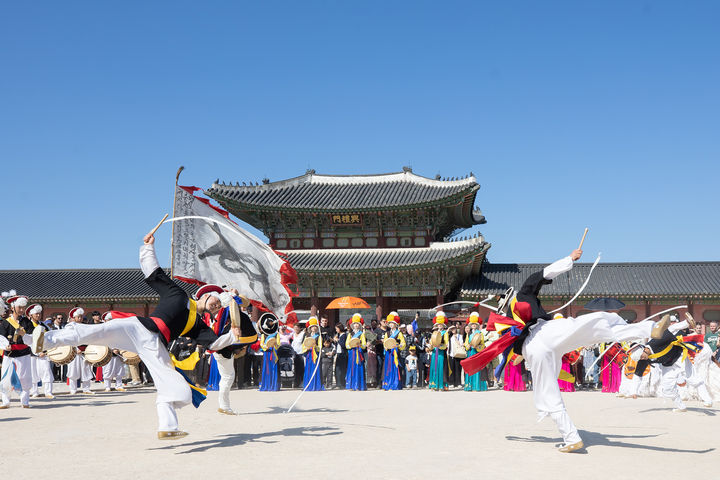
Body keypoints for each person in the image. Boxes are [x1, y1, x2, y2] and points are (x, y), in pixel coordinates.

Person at [32, 229, 255, 439]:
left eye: (220, 305)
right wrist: (148, 247)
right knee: (96, 332)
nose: (217, 305)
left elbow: (215, 344)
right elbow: (154, 274)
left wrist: (234, 336)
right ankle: (45, 340)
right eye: (216, 299)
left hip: (154, 346)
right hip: (139, 326)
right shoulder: (178, 294)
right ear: (205, 295)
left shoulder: (198, 325)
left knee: (179, 390)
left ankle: (168, 427)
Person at [0, 294, 34, 408]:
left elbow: (32, 338)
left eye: (23, 308)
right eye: (19, 307)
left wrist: (24, 334)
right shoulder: (5, 322)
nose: (22, 310)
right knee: (6, 377)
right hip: (9, 354)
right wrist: (5, 346)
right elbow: (1, 337)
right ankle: (5, 401)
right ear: (13, 307)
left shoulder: (27, 322)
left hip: (23, 353)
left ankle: (25, 401)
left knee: (24, 377)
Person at [26, 304, 54, 398]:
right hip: (32, 353)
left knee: (46, 371)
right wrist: (36, 352)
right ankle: (34, 392)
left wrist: (45, 351)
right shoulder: (27, 325)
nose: (38, 315)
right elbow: (28, 341)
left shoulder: (44, 325)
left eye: (39, 314)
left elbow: (49, 337)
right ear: (31, 315)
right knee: (33, 373)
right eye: (36, 314)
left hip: (43, 352)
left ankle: (48, 391)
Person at [64, 308, 95, 395]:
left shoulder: (84, 326)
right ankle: (73, 389)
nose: (80, 318)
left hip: (84, 351)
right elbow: (67, 340)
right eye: (78, 317)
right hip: (73, 352)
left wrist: (87, 348)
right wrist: (75, 349)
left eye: (81, 317)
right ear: (73, 318)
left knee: (86, 370)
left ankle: (86, 388)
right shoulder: (69, 327)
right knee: (73, 371)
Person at [381, 312, 406, 390]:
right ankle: (387, 384)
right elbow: (385, 343)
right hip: (388, 353)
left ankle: (395, 384)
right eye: (390, 323)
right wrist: (386, 347)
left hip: (395, 353)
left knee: (395, 368)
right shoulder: (387, 333)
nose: (391, 324)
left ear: (396, 324)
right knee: (387, 368)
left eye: (393, 323)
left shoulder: (399, 333)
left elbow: (403, 343)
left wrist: (398, 346)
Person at [463, 312, 487, 391]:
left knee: (477, 369)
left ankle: (477, 386)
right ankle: (469, 386)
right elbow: (466, 343)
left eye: (475, 324)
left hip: (477, 353)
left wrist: (477, 346)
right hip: (470, 353)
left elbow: (483, 344)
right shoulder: (468, 333)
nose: (473, 325)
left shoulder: (480, 333)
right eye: (472, 324)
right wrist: (468, 346)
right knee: (470, 368)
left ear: (477, 325)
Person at [428, 311, 450, 391]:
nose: (439, 326)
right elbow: (431, 342)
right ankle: (434, 385)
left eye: (440, 325)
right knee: (434, 368)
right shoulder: (434, 333)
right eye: (438, 325)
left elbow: (446, 343)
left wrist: (440, 346)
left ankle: (441, 385)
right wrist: (429, 346)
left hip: (441, 352)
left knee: (441, 368)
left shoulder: (445, 333)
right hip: (434, 352)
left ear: (443, 325)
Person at [345, 313, 366, 391]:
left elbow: (364, 345)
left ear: (359, 325)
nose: (356, 325)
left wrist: (360, 345)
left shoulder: (362, 334)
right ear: (352, 325)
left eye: (357, 324)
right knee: (351, 368)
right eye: (354, 324)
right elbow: (347, 344)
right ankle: (351, 385)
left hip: (359, 352)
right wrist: (351, 345)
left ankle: (358, 386)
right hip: (352, 353)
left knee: (359, 368)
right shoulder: (350, 334)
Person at [301, 317, 324, 391]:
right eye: (312, 326)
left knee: (315, 369)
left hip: (315, 355)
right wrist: (306, 348)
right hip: (309, 355)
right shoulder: (307, 336)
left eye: (315, 326)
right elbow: (303, 345)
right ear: (310, 328)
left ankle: (316, 385)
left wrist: (315, 346)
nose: (314, 328)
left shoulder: (319, 336)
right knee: (308, 369)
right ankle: (308, 385)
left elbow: (320, 346)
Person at [259, 323, 280, 392]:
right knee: (266, 368)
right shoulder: (263, 334)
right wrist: (266, 347)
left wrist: (275, 344)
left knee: (273, 368)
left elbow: (278, 344)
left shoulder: (276, 334)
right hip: (267, 353)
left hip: (273, 353)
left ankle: (273, 385)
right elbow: (261, 344)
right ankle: (266, 385)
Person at [291, 322, 305, 388]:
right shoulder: (293, 334)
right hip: (295, 354)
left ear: (300, 328)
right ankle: (296, 382)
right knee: (296, 369)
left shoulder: (302, 334)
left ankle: (302, 382)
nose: (296, 329)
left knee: (301, 368)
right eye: (295, 328)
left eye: (297, 328)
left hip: (301, 353)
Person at [333, 323, 348, 389]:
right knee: (337, 369)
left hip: (343, 354)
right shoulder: (338, 335)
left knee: (341, 370)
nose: (336, 330)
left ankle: (341, 384)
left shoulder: (344, 335)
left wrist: (338, 340)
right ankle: (338, 383)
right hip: (338, 353)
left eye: (337, 329)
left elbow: (343, 345)